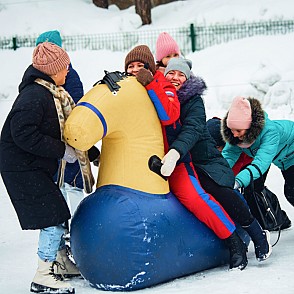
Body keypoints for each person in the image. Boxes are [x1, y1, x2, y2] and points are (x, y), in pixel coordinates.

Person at [125, 45, 248, 270]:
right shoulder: (127, 90)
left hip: (177, 158)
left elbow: (169, 115)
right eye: (130, 67)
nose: (135, 70)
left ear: (151, 69)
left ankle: (234, 241)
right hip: (144, 159)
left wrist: (151, 83)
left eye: (140, 66)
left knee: (194, 198)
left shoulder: (162, 86)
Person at [161, 58, 272, 264]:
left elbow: (192, 129)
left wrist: (176, 152)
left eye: (181, 75)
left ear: (187, 79)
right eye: (172, 73)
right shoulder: (160, 97)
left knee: (221, 190)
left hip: (203, 160)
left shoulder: (193, 100)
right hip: (178, 163)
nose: (176, 78)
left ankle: (256, 232)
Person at [0, 42, 80, 294]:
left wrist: (88, 152)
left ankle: (61, 263)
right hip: (21, 167)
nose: (68, 71)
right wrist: (61, 151)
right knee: (52, 217)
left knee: (57, 212)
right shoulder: (35, 95)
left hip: (32, 165)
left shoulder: (50, 92)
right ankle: (44, 274)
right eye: (64, 67)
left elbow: (59, 128)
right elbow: (22, 133)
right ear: (52, 69)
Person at [36, 30, 100, 216]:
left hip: (70, 139)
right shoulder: (40, 78)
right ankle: (63, 227)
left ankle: (79, 225)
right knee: (58, 185)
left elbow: (76, 107)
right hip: (52, 142)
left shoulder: (69, 75)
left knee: (73, 184)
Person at [207, 116, 291, 230]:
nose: (217, 151)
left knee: (254, 190)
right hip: (282, 160)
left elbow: (258, 164)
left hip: (256, 161)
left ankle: (277, 220)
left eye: (218, 147)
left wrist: (235, 181)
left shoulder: (261, 138)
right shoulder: (232, 136)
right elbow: (227, 159)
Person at [221, 96, 294, 210]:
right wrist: (218, 174)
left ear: (249, 126)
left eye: (238, 131)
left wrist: (238, 181)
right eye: (231, 130)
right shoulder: (237, 136)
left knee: (291, 191)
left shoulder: (270, 133)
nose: (234, 134)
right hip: (286, 161)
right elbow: (228, 156)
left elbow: (261, 163)